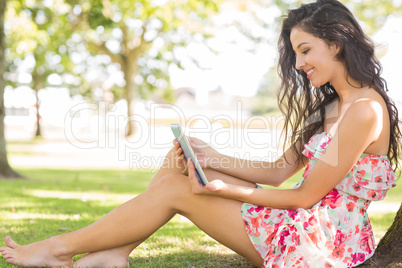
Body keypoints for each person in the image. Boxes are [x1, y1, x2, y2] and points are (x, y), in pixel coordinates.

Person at [1, 0, 400, 267]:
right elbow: (280, 171)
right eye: (295, 53)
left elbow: (304, 196)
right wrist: (211, 158)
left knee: (178, 189)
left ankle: (59, 248)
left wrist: (222, 188)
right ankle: (116, 252)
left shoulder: (364, 109)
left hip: (322, 243)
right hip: (303, 222)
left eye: (305, 50)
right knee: (181, 162)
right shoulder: (333, 105)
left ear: (336, 43)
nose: (298, 64)